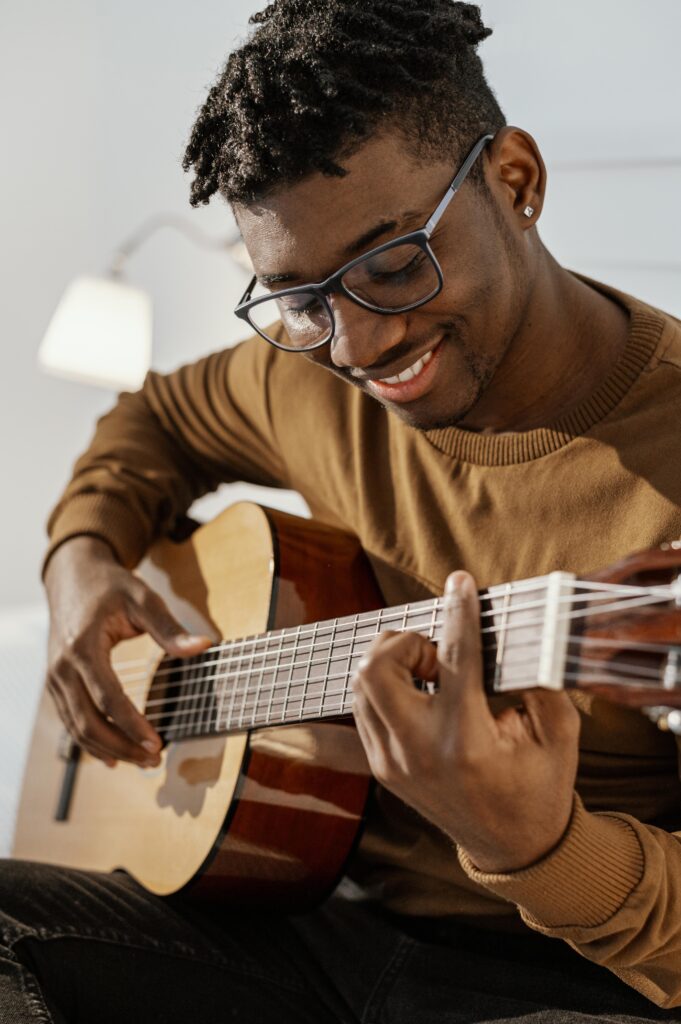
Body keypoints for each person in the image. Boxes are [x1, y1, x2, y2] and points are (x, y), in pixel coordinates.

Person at [4, 1, 681, 1020]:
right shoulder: (309, 378)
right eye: (301, 300)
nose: (358, 347)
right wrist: (80, 566)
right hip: (314, 922)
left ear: (517, 181)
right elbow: (152, 421)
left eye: (396, 264)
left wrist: (538, 847)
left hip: (580, 981)